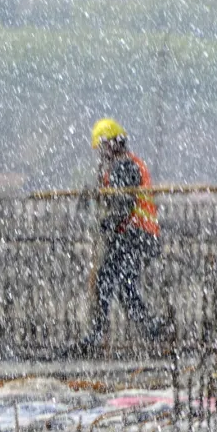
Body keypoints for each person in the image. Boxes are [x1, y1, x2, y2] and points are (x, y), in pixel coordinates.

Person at [83, 118, 163, 346]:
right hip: (134, 234)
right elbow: (115, 200)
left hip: (136, 234)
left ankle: (100, 333)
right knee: (119, 284)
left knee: (111, 281)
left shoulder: (125, 167)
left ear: (112, 143)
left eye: (102, 147)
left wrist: (105, 224)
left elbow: (123, 206)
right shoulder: (122, 165)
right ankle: (152, 331)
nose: (101, 153)